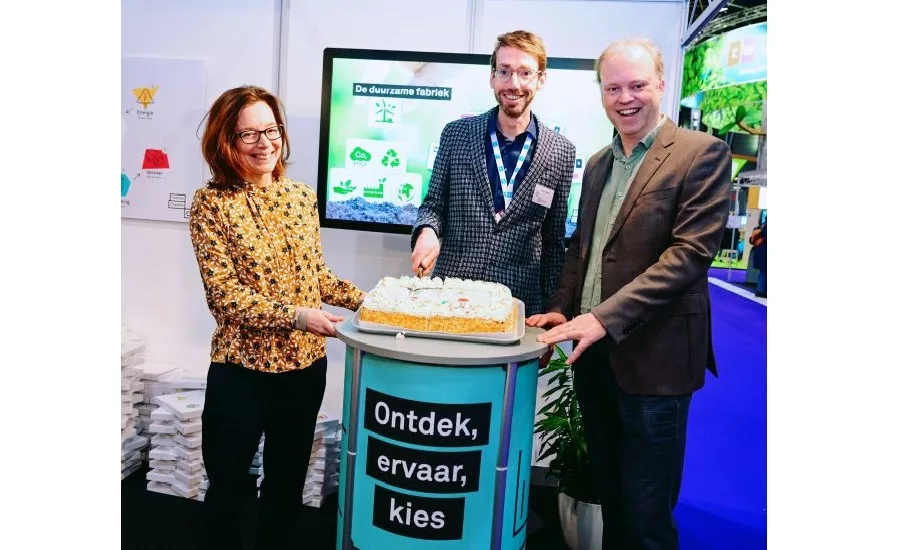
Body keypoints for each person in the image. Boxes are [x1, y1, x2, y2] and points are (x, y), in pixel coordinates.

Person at [526, 39, 732, 549]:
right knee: (612, 497)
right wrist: (561, 308)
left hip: (655, 361)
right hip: (596, 359)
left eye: (637, 85)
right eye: (613, 87)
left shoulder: (701, 155)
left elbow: (687, 257)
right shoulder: (598, 163)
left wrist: (601, 318)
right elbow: (583, 248)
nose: (625, 98)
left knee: (646, 516)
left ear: (662, 84)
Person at [188, 85, 364, 550]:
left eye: (271, 130)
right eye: (249, 134)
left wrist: (371, 301)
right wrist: (298, 316)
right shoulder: (211, 204)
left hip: (304, 370)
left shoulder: (301, 197)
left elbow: (315, 275)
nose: (264, 142)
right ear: (226, 141)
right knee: (226, 489)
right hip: (240, 371)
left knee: (285, 489)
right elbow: (225, 297)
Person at [410, 30, 577, 317]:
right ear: (492, 77)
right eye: (504, 71)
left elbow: (553, 242)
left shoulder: (561, 151)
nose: (514, 83)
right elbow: (433, 205)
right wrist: (427, 231)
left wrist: (552, 310)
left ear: (541, 79)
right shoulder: (457, 135)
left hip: (518, 305)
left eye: (525, 73)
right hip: (452, 294)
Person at [750, 218, 767, 297]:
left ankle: (760, 289)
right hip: (764, 253)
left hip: (759, 252)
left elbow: (751, 240)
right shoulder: (765, 228)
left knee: (762, 272)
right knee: (764, 272)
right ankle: (761, 290)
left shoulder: (760, 227)